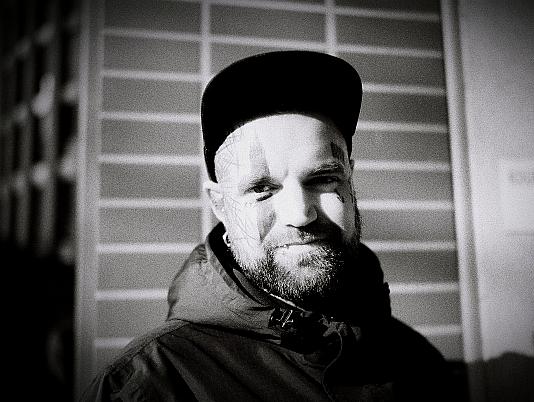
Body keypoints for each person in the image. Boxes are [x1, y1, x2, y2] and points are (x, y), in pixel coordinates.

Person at [81, 51, 456, 401]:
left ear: (350, 181)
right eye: (261, 188)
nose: (300, 214)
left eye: (324, 178)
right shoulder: (148, 386)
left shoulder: (416, 361)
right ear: (220, 205)